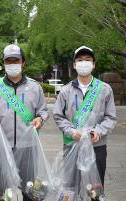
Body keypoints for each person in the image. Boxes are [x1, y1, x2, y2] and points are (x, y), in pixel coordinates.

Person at [0, 44, 49, 201]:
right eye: (8, 61)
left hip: (28, 148)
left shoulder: (34, 86)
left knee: (30, 189)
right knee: (5, 191)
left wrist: (40, 119)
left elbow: (43, 110)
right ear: (4, 63)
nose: (12, 64)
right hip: (2, 147)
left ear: (23, 62)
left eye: (16, 60)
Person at [53, 46, 117, 200]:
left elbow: (111, 117)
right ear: (74, 65)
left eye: (88, 60)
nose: (84, 63)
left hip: (97, 146)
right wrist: (70, 131)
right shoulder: (66, 90)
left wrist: (99, 131)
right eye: (80, 60)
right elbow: (58, 116)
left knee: (95, 187)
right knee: (70, 186)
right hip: (71, 144)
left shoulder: (104, 89)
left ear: (94, 64)